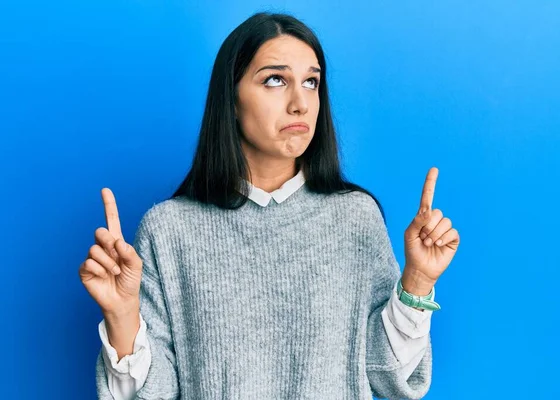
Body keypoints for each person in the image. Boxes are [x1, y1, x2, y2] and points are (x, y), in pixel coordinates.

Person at [79, 11, 460, 400]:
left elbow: (388, 378)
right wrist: (122, 315)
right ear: (231, 96)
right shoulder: (168, 230)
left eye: (311, 82)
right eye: (275, 80)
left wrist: (418, 282)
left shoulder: (355, 218)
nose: (300, 103)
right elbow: (149, 394)